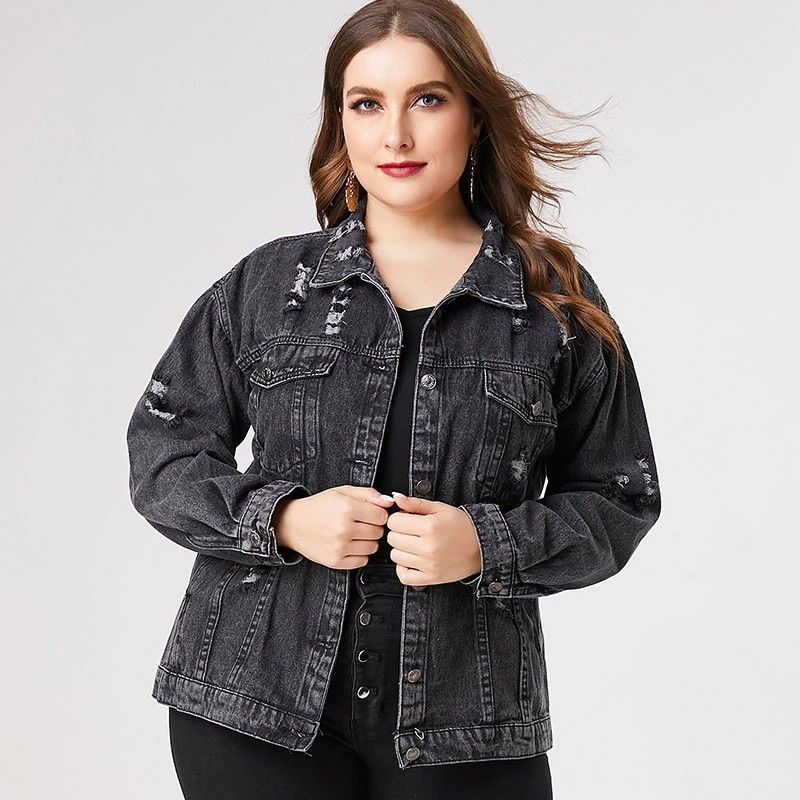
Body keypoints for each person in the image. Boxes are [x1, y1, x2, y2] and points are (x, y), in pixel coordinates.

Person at [126, 1, 661, 797]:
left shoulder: (551, 304)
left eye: (428, 100)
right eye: (367, 104)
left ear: (474, 115)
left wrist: (486, 544)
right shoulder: (271, 286)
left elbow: (620, 497)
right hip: (251, 707)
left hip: (466, 724)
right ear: (340, 122)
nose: (396, 135)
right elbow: (162, 450)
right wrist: (282, 518)